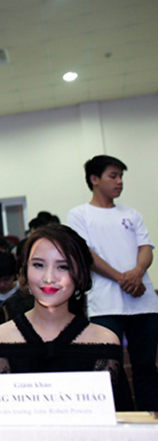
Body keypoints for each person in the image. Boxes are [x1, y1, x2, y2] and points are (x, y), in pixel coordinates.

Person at [0, 225, 131, 410]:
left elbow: (120, 418)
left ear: (80, 275)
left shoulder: (104, 341)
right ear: (24, 271)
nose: (49, 278)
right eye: (38, 265)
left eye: (63, 266)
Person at [67, 155, 158, 410]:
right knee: (110, 368)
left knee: (146, 366)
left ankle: (152, 418)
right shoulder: (79, 214)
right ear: (94, 179)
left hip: (143, 301)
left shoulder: (131, 214)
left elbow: (146, 248)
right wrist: (123, 278)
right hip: (106, 305)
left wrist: (137, 272)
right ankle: (122, 420)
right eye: (113, 176)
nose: (119, 182)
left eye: (121, 177)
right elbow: (86, 255)